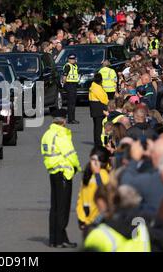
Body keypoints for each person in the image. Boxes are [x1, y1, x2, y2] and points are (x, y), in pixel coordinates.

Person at [41, 117, 81, 248]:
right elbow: (70, 154)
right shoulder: (61, 134)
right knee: (63, 208)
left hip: (53, 172)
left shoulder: (47, 134)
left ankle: (53, 239)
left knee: (55, 207)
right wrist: (78, 167)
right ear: (63, 122)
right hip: (64, 173)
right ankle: (61, 239)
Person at [76, 147, 110, 231]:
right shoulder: (88, 175)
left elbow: (103, 193)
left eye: (96, 160)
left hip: (99, 219)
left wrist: (97, 173)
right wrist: (81, 218)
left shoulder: (104, 175)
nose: (93, 163)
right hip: (86, 219)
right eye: (92, 159)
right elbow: (81, 198)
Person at [89, 73, 109, 146]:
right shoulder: (97, 87)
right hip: (99, 108)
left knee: (96, 126)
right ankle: (99, 142)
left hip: (94, 108)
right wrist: (108, 103)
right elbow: (103, 99)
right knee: (100, 127)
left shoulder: (93, 86)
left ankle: (97, 141)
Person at [62, 54, 79, 124]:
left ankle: (72, 118)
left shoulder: (75, 66)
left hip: (74, 85)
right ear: (68, 59)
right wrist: (64, 85)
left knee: (73, 103)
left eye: (73, 58)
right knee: (71, 103)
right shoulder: (67, 66)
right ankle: (70, 119)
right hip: (69, 85)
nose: (72, 60)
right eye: (71, 58)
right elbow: (64, 77)